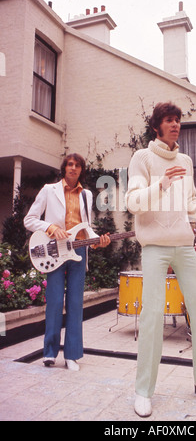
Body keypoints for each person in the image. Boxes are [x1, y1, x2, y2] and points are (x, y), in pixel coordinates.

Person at [126, 102, 196, 417]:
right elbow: (132, 202)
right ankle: (143, 391)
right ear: (157, 126)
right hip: (155, 247)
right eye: (169, 120)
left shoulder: (184, 159)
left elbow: (190, 205)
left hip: (185, 246)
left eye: (178, 121)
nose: (176, 125)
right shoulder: (141, 158)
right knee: (153, 315)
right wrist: (161, 184)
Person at [24, 153, 110, 371]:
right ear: (64, 168)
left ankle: (72, 355)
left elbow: (86, 226)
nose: (73, 168)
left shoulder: (87, 195)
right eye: (70, 164)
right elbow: (30, 220)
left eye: (77, 165)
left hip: (78, 253)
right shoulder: (48, 190)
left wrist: (97, 241)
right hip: (55, 253)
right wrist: (50, 228)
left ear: (81, 170)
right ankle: (49, 353)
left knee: (75, 305)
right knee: (53, 303)